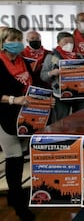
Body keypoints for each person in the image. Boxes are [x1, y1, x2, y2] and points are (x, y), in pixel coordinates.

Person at [0, 27, 35, 221]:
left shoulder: (23, 62)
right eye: (14, 39)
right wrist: (14, 100)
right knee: (13, 158)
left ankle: (14, 196)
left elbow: (30, 86)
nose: (18, 42)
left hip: (24, 117)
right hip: (4, 117)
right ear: (4, 42)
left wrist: (44, 100)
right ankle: (20, 206)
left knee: (20, 156)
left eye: (20, 39)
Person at [40, 32, 84, 123]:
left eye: (71, 42)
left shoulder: (79, 56)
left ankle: (78, 136)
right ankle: (62, 137)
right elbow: (43, 76)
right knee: (61, 121)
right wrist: (51, 73)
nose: (69, 44)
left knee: (80, 120)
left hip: (79, 94)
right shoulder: (52, 57)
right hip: (60, 95)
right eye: (65, 42)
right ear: (58, 42)